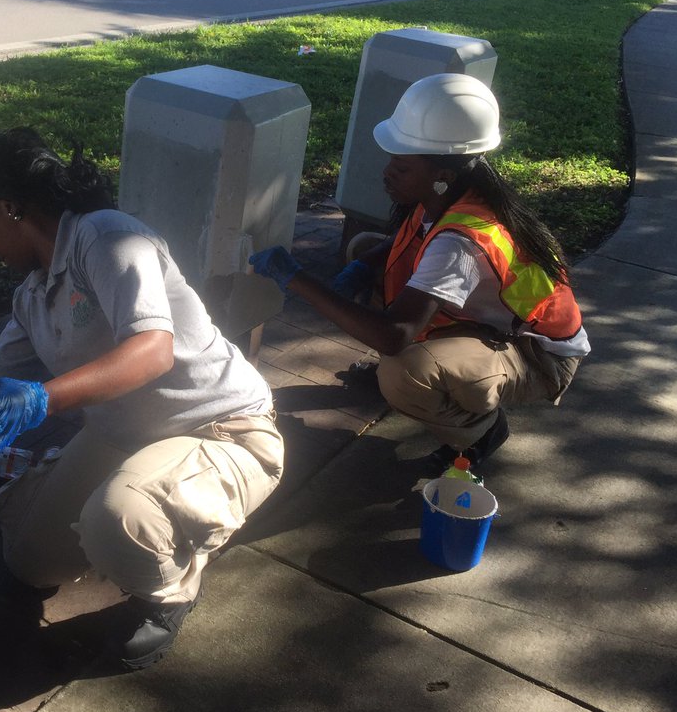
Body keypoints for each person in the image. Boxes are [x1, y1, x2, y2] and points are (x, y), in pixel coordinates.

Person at [0, 127, 283, 670]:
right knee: (28, 560)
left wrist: (40, 400)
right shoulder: (33, 295)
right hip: (125, 435)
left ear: (11, 206)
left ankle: (171, 592)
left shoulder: (106, 236)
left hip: (221, 427)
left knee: (119, 517)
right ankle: (135, 508)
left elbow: (152, 350)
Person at [249, 73, 589, 469]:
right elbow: (408, 242)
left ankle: (479, 431)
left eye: (403, 166)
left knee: (403, 373)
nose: (389, 171)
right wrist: (365, 264)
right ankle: (447, 374)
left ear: (442, 174)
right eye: (393, 159)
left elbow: (393, 336)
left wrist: (297, 278)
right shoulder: (459, 190)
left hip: (539, 355)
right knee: (377, 268)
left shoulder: (459, 242)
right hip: (486, 324)